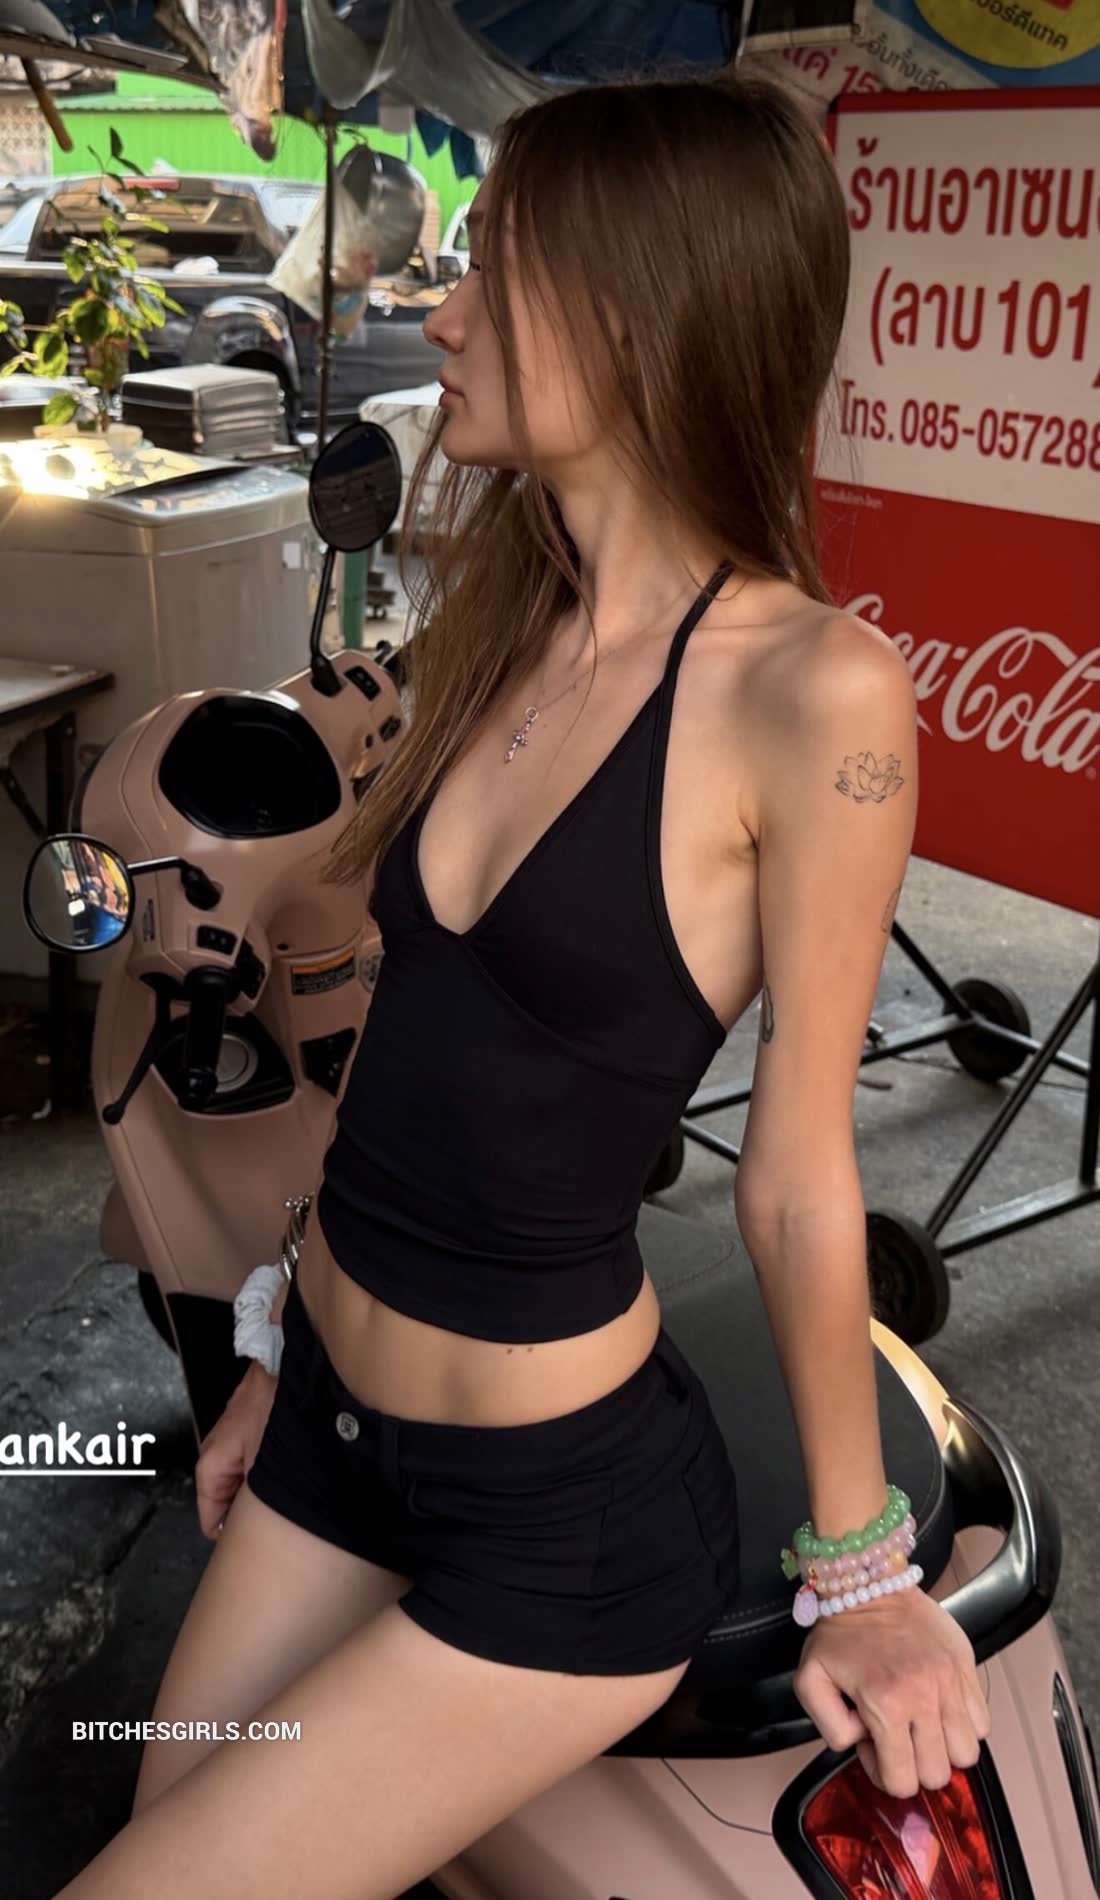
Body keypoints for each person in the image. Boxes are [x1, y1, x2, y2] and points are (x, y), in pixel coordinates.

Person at [52, 65, 990, 1900]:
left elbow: (802, 1173)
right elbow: (421, 1052)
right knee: (159, 1835)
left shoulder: (816, 691)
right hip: (331, 1425)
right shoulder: (507, 620)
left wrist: (864, 1573)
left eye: (497, 268)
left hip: (554, 1523)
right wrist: (278, 1345)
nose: (443, 311)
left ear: (642, 311)